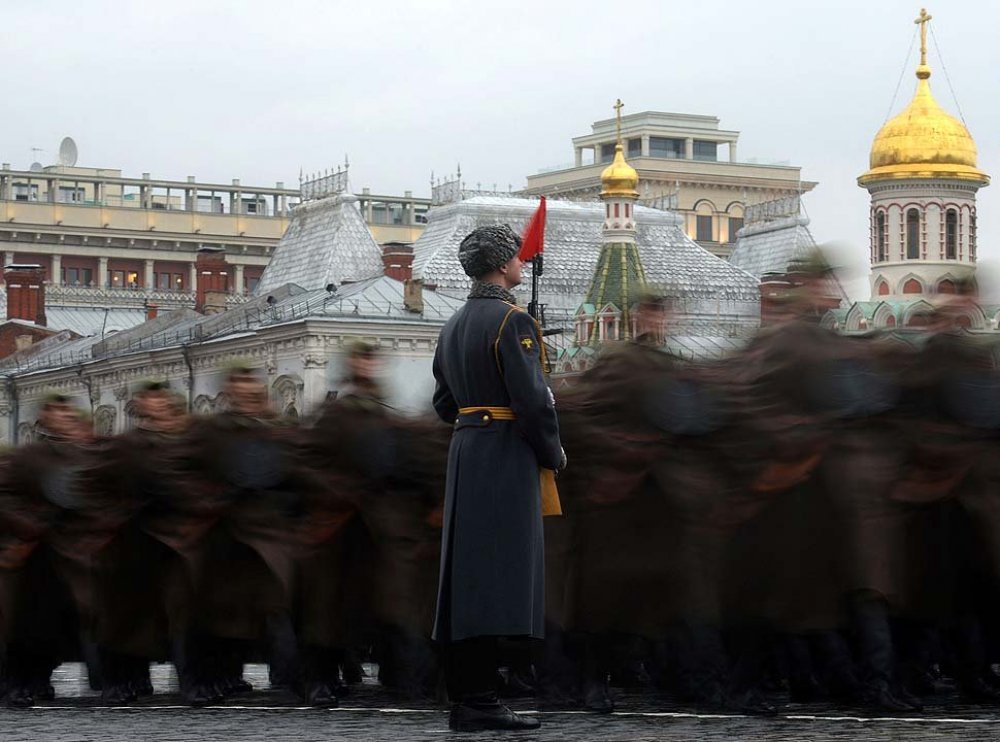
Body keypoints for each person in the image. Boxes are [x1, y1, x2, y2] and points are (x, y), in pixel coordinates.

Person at [431, 224, 565, 731]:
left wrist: (475, 421)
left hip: (466, 452)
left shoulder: (452, 325)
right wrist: (552, 452)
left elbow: (444, 404)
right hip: (506, 455)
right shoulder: (514, 322)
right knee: (498, 577)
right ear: (503, 263)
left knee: (467, 577)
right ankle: (481, 699)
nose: (522, 265)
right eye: (516, 258)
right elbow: (533, 403)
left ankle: (470, 694)